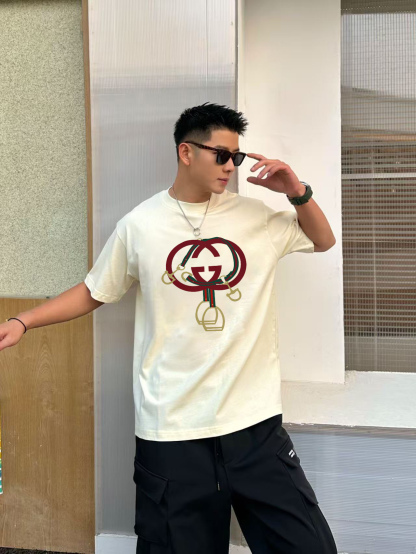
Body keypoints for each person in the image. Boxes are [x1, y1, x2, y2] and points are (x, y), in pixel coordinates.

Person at [0, 102, 338, 553]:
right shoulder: (140, 225)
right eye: (222, 155)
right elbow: (95, 290)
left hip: (253, 425)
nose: (231, 167)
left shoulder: (255, 217)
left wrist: (296, 191)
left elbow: (322, 240)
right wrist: (23, 320)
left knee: (307, 546)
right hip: (173, 430)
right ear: (186, 152)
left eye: (237, 157)